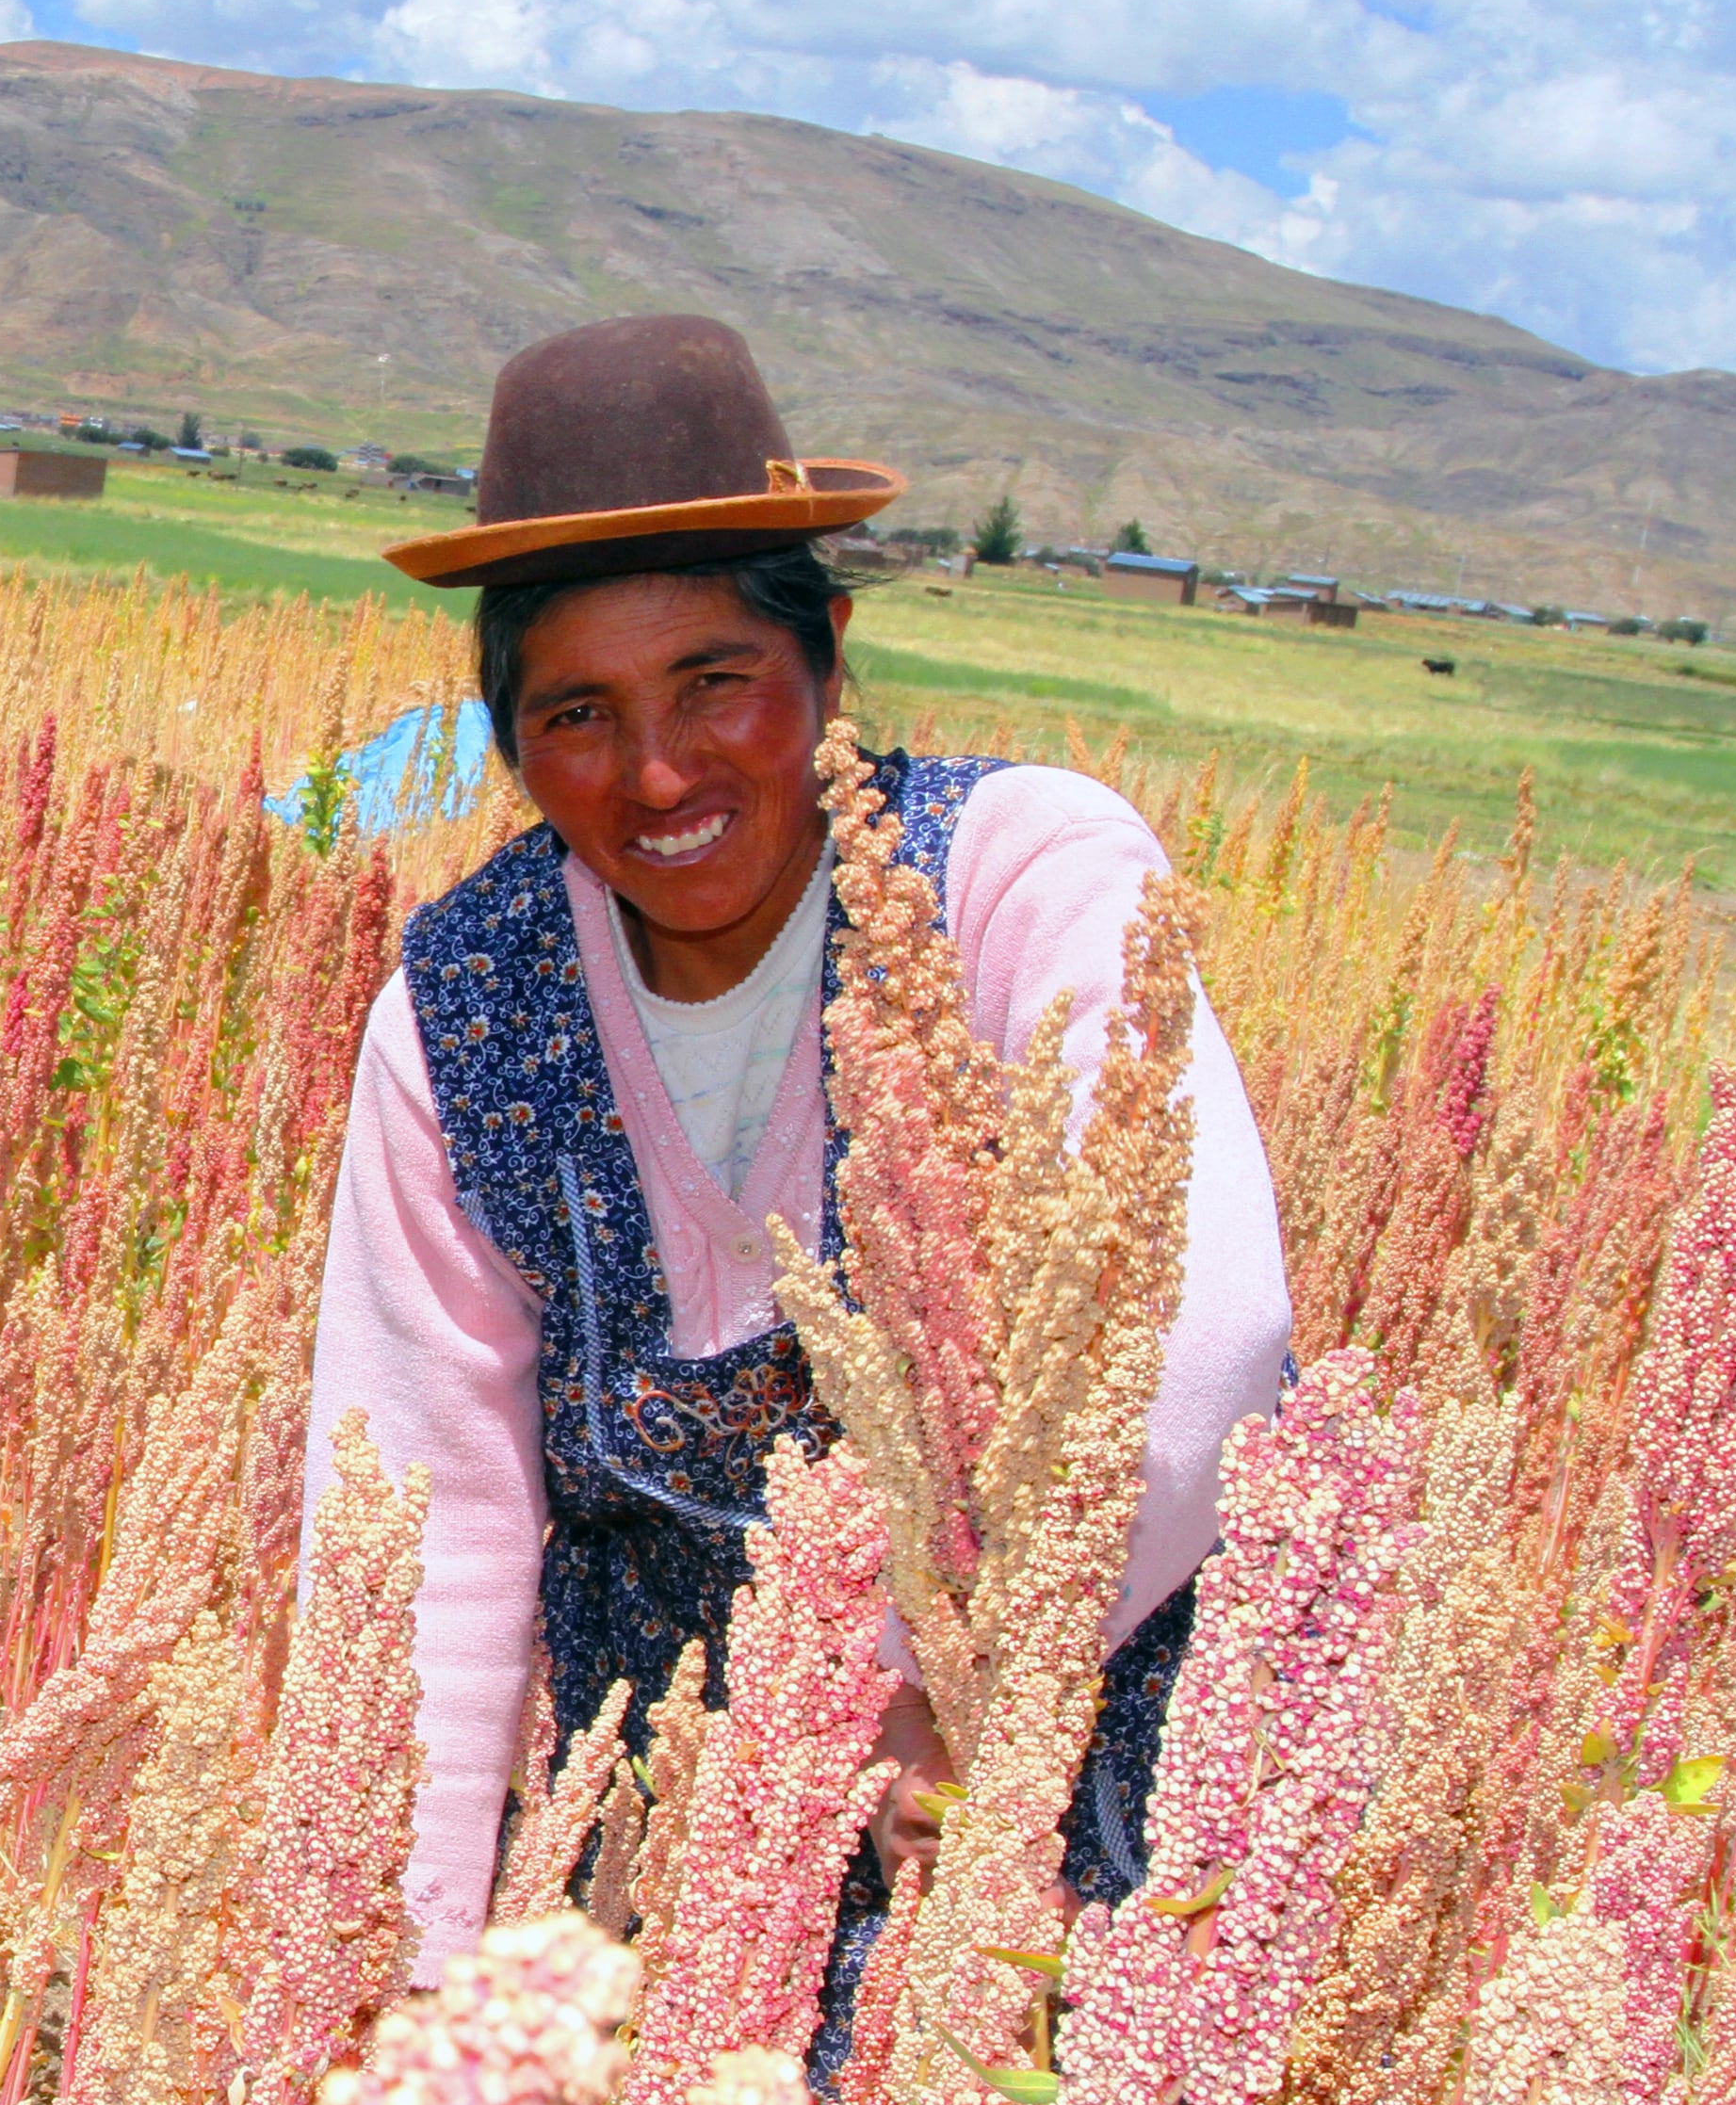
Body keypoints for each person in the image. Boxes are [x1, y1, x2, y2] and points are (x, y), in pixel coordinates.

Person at [307, 313, 1293, 1967]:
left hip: (1062, 1807)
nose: (658, 772)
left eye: (717, 683)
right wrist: (400, 1980)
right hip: (670, 1868)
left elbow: (1191, 1336)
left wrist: (950, 1681)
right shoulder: (462, 1016)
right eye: (578, 714)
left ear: (826, 652)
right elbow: (424, 1534)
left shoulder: (1015, 885)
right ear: (507, 739)